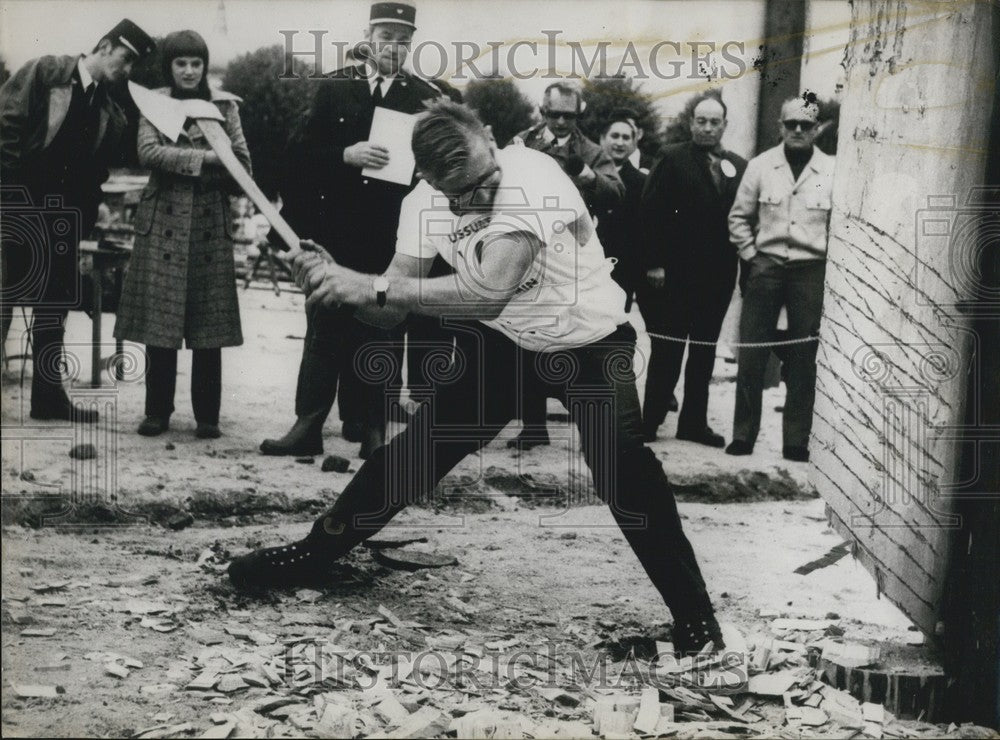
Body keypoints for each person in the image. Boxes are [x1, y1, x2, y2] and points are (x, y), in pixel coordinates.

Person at [228, 99, 729, 659]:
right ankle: (314, 553)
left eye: (482, 180)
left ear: (490, 144)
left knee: (622, 467)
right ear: (427, 179)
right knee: (419, 449)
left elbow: (489, 291)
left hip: (589, 340)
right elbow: (388, 310)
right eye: (458, 195)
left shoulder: (532, 172)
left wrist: (367, 285)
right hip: (509, 344)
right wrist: (334, 286)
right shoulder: (422, 204)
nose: (477, 198)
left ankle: (696, 623)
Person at [261, 0, 448, 460]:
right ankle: (307, 424)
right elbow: (296, 158)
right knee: (324, 324)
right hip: (335, 232)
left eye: (404, 42)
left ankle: (373, 430)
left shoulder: (426, 97)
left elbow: (442, 161)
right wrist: (345, 155)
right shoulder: (333, 88)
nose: (394, 49)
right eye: (387, 39)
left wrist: (426, 172)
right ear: (369, 37)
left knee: (382, 328)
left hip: (392, 234)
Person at [0, 19, 154, 422]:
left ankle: (47, 400)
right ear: (104, 46)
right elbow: (6, 129)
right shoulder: (45, 72)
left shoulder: (110, 112)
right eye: (126, 59)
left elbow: (95, 177)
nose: (128, 71)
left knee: (54, 308)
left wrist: (83, 222)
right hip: (18, 208)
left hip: (64, 220)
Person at [114, 30, 251, 439]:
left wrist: (220, 158)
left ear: (205, 66)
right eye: (181, 63)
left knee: (210, 327)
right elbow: (149, 152)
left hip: (210, 224)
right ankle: (157, 411)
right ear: (169, 67)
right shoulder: (153, 102)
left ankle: (207, 417)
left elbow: (242, 162)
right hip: (163, 224)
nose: (189, 71)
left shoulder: (224, 106)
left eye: (196, 63)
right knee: (161, 323)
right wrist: (210, 156)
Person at [509, 81, 625, 449]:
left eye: (568, 115)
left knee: (571, 330)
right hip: (528, 246)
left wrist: (586, 175)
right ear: (542, 113)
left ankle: (589, 423)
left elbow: (617, 191)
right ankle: (532, 424)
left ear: (579, 115)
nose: (560, 122)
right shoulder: (521, 142)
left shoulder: (589, 150)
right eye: (553, 114)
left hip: (570, 251)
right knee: (528, 331)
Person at [726, 95, 835, 462]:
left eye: (806, 125)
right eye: (792, 124)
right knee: (752, 353)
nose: (799, 131)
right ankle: (743, 435)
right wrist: (752, 257)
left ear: (817, 128)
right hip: (767, 265)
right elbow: (738, 218)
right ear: (781, 127)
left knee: (805, 357)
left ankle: (796, 441)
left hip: (810, 270)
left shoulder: (833, 170)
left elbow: (840, 225)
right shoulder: (760, 166)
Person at [639, 94, 747, 447]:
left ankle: (693, 424)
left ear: (724, 126)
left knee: (704, 353)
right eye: (701, 121)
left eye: (715, 122)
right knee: (668, 351)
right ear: (691, 123)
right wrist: (653, 262)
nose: (707, 127)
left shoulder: (738, 165)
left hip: (716, 279)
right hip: (676, 276)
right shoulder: (672, 157)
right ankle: (649, 421)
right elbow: (651, 211)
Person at [595, 111, 646, 311]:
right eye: (614, 136)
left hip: (622, 270)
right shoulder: (588, 174)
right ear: (602, 139)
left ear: (634, 144)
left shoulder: (641, 182)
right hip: (586, 265)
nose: (620, 142)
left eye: (626, 138)